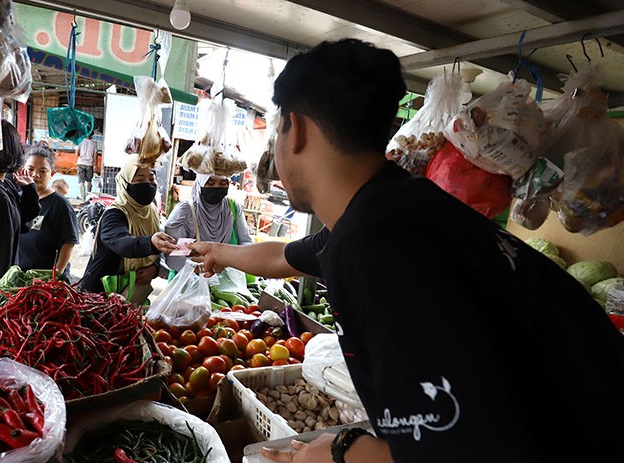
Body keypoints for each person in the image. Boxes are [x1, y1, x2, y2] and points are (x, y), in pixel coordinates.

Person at [191, 39, 624, 463]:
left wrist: (339, 452)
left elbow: (455, 446)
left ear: (296, 128)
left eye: (278, 126)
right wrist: (215, 251)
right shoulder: (394, 208)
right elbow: (281, 257)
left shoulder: (376, 246)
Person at [79, 157, 177, 303]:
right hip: (98, 296)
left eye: (151, 179)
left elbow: (152, 257)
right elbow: (121, 243)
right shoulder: (115, 213)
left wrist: (154, 269)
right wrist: (150, 243)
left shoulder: (151, 211)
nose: (148, 184)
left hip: (131, 294)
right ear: (125, 184)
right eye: (139, 180)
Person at [0, 120, 40, 282]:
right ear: (10, 150)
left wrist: (29, 191)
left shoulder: (5, 185)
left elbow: (23, 225)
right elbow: (1, 254)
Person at [163, 173, 252, 273]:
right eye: (210, 183)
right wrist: (204, 266)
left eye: (223, 184)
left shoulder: (232, 208)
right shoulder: (184, 212)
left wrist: (233, 261)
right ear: (200, 183)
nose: (217, 188)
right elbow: (175, 258)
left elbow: (246, 243)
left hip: (226, 281)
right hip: (189, 281)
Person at [18, 143, 79, 282]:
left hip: (47, 281)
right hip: (21, 277)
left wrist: (55, 275)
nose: (35, 175)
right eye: (31, 169)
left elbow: (68, 243)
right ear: (23, 170)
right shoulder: (19, 199)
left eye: (43, 170)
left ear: (52, 173)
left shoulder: (60, 205)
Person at [76, 132, 98, 199]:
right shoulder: (94, 143)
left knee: (81, 182)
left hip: (80, 163)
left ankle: (83, 198)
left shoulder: (80, 142)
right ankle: (88, 198)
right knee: (89, 181)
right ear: (92, 135)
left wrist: (81, 156)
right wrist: (95, 165)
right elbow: (95, 156)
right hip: (89, 164)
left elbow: (76, 154)